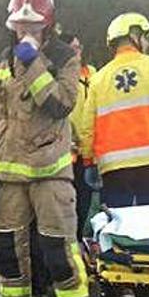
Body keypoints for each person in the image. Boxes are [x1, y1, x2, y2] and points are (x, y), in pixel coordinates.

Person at [0, 0, 92, 297]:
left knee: (56, 246)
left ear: (48, 24)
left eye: (33, 26)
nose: (25, 32)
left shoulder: (63, 57)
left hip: (49, 170)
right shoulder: (2, 59)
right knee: (8, 246)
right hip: (7, 169)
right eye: (20, 26)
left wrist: (35, 64)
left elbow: (60, 104)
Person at [79, 13, 149, 209]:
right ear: (135, 35)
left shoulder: (99, 78)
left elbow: (88, 127)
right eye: (145, 37)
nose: (146, 42)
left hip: (115, 165)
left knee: (120, 222)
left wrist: (88, 161)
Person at [60, 32, 97, 238]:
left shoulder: (92, 74)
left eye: (79, 47)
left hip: (88, 152)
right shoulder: (58, 77)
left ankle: (78, 241)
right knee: (66, 205)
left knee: (85, 201)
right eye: (72, 49)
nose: (77, 52)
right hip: (67, 154)